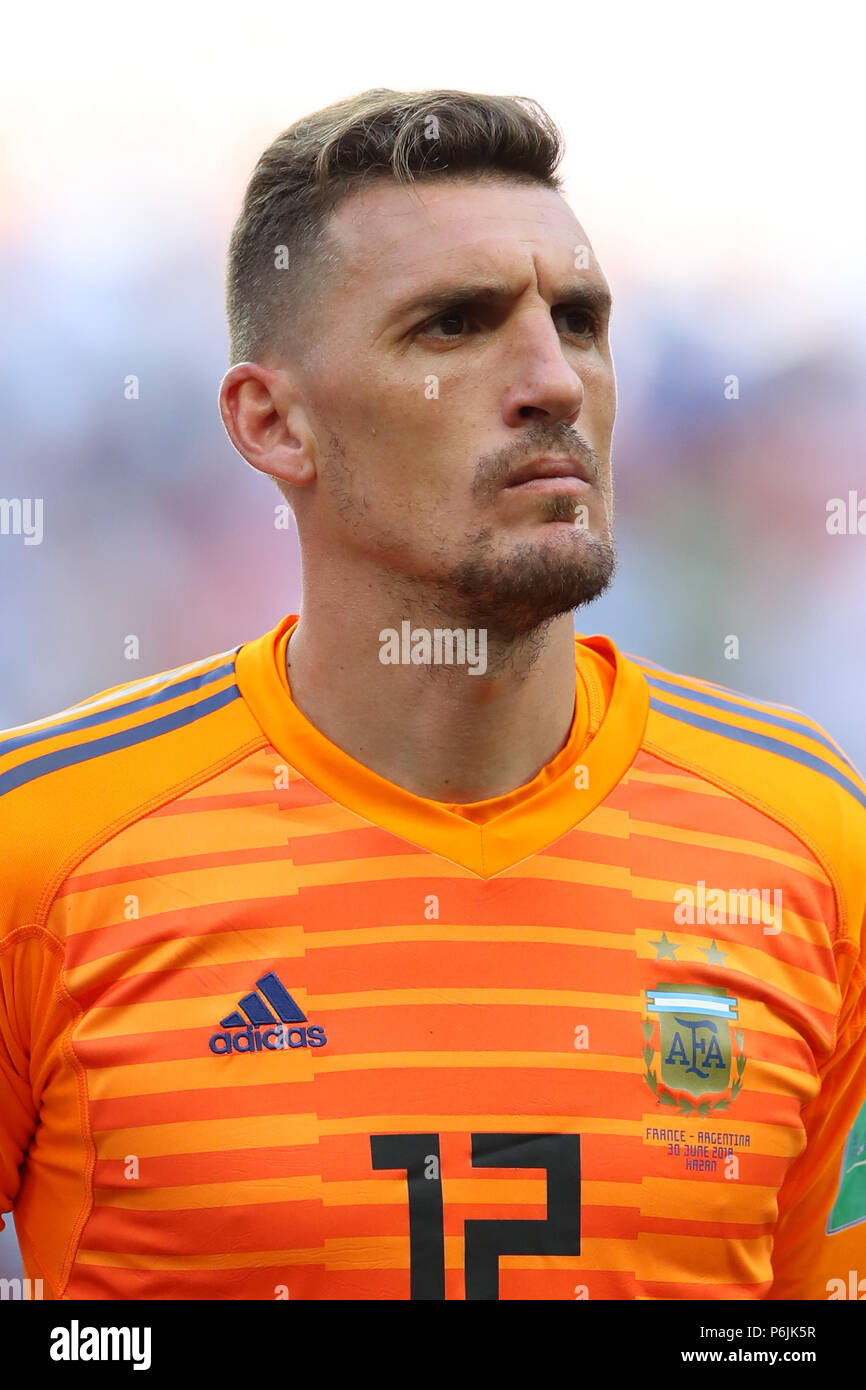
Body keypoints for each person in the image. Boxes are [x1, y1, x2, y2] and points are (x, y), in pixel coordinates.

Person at [1, 89, 863, 1301]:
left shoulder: (811, 837)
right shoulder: (42, 845)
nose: (552, 380)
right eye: (451, 326)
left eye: (578, 320)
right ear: (271, 422)